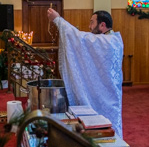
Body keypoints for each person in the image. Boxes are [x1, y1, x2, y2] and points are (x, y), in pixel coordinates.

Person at [47, 8, 124, 138]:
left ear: (102, 25)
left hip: (106, 96)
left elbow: (78, 37)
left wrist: (58, 20)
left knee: (108, 127)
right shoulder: (113, 40)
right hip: (107, 93)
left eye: (92, 22)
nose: (89, 26)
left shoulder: (108, 41)